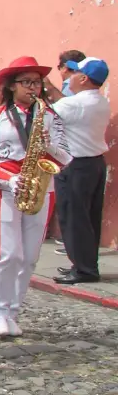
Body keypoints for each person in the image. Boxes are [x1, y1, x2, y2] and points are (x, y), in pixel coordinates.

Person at [0, 56, 71, 338]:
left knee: (29, 256)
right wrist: (10, 178)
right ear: (12, 86)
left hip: (41, 187)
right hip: (5, 189)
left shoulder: (51, 116)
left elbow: (66, 158)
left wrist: (49, 145)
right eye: (27, 82)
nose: (33, 88)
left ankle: (14, 311)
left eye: (37, 82)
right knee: (9, 254)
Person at [51, 56, 109, 285]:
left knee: (73, 218)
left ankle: (84, 269)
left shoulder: (73, 104)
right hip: (94, 164)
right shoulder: (100, 101)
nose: (68, 76)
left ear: (83, 78)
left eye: (73, 73)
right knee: (89, 218)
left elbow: (46, 115)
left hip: (75, 165)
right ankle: (84, 264)